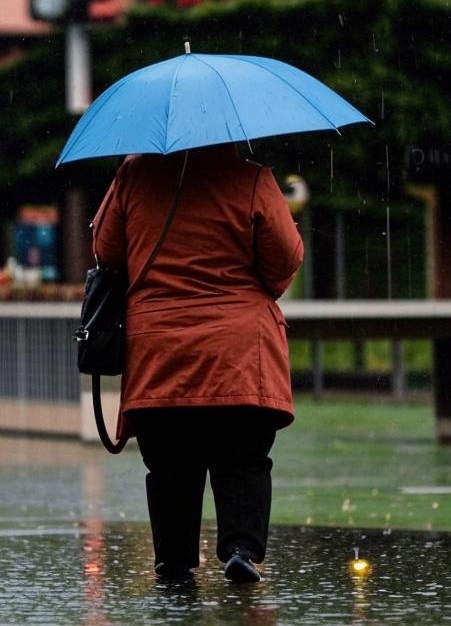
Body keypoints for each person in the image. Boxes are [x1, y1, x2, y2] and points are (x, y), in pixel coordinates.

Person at [91, 143, 303, 584]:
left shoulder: (134, 174)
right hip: (239, 352)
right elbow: (283, 261)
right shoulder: (252, 178)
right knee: (243, 457)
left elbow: (106, 252)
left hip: (159, 350)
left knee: (169, 463)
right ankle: (241, 549)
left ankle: (174, 558)